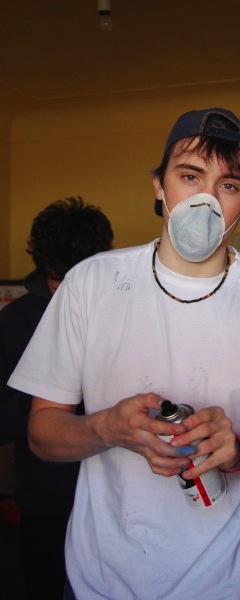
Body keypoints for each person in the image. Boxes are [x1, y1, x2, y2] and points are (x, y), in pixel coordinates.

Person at [8, 109, 240, 600]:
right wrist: (106, 428)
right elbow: (41, 434)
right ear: (159, 185)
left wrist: (239, 452)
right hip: (98, 583)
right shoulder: (90, 284)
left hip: (223, 584)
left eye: (228, 185)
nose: (206, 200)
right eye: (190, 176)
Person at [0, 197, 114, 599]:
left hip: (114, 498)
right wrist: (51, 393)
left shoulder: (120, 313)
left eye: (81, 278)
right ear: (44, 267)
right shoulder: (15, 322)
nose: (70, 292)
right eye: (58, 279)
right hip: (46, 499)